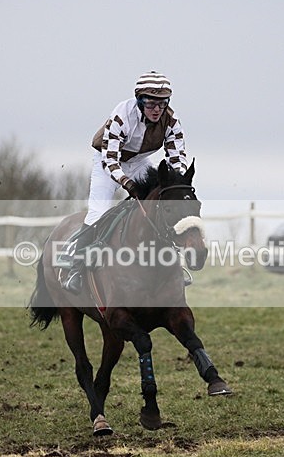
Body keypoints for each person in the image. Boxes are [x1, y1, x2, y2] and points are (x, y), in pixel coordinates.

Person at [62, 71, 190, 294]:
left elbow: (177, 157)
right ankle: (75, 266)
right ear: (139, 100)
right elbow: (110, 159)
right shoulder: (122, 115)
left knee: (159, 204)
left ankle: (174, 264)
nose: (157, 109)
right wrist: (127, 183)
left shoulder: (172, 120)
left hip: (139, 161)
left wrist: (175, 182)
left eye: (162, 103)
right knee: (99, 211)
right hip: (108, 161)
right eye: (151, 103)